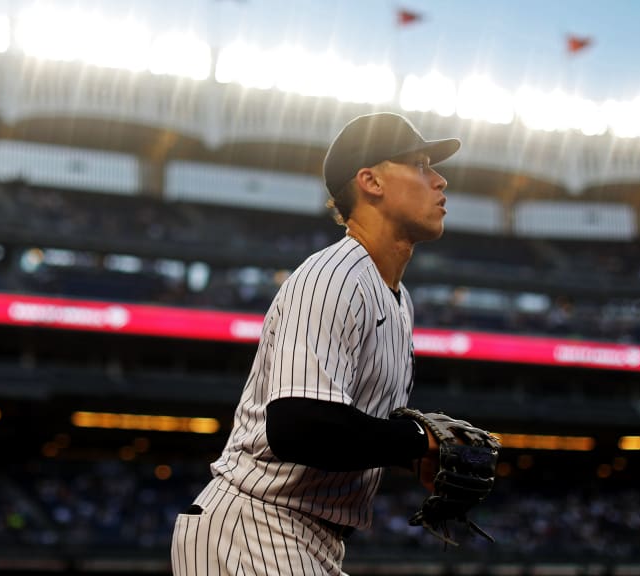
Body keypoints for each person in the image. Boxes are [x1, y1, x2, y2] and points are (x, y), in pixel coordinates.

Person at [171, 112, 462, 575]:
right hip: (254, 529)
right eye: (422, 165)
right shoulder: (333, 277)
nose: (440, 180)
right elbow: (298, 425)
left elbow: (347, 427)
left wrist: (414, 455)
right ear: (371, 181)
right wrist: (416, 440)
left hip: (300, 537)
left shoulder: (398, 299)